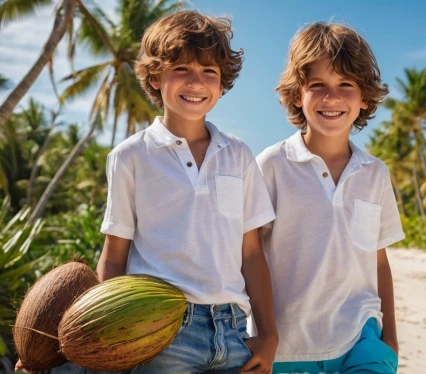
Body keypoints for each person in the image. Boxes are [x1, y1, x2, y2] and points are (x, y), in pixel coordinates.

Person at [17, 10, 278, 374]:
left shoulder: (238, 155)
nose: (196, 82)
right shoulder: (130, 156)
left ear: (221, 85)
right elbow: (114, 254)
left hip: (232, 331)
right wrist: (102, 336)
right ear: (155, 77)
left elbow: (251, 253)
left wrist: (267, 334)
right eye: (181, 69)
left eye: (209, 73)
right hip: (158, 331)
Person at [256, 22, 405, 374]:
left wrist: (392, 338)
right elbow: (249, 256)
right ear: (297, 94)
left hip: (362, 338)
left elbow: (379, 260)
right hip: (287, 346)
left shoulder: (375, 173)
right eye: (317, 86)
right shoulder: (272, 165)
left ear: (364, 97)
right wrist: (262, 332)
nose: (331, 97)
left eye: (346, 86)